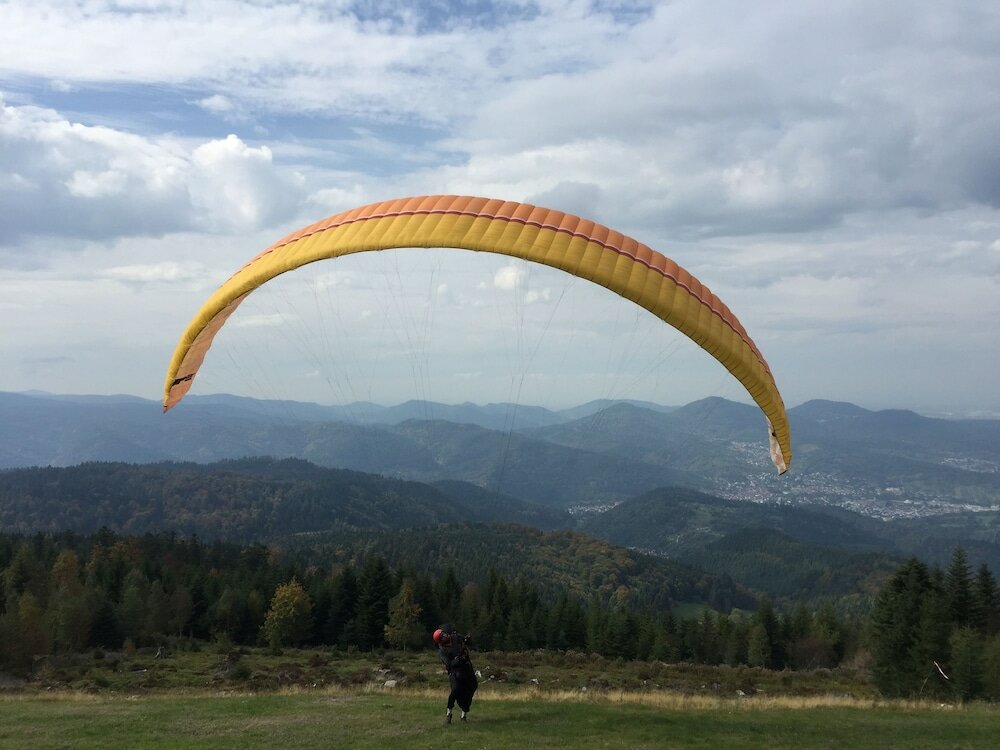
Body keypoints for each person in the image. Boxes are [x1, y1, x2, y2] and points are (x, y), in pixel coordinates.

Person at [433, 624, 478, 725]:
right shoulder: (442, 651)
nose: (445, 636)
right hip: (455, 672)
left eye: (444, 634)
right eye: (442, 636)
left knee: (472, 688)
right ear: (440, 641)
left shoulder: (456, 637)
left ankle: (463, 715)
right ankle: (449, 713)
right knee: (455, 690)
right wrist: (459, 659)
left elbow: (468, 643)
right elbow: (449, 664)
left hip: (467, 668)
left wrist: (467, 640)